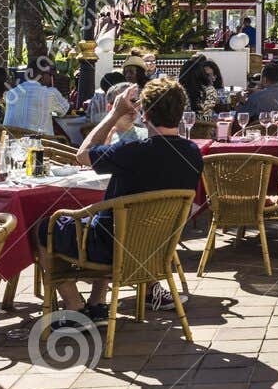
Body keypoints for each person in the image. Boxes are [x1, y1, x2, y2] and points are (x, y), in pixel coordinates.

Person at [41, 77, 203, 324]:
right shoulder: (193, 153)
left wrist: (113, 115)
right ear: (181, 113)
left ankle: (74, 306)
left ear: (145, 114)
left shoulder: (133, 152)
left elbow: (81, 155)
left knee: (43, 227)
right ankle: (97, 304)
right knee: (108, 222)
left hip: (111, 249)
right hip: (156, 250)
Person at [3, 60, 69, 136]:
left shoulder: (10, 94)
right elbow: (64, 111)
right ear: (43, 76)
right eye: (50, 75)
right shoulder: (50, 93)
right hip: (39, 145)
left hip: (11, 144)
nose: (52, 78)